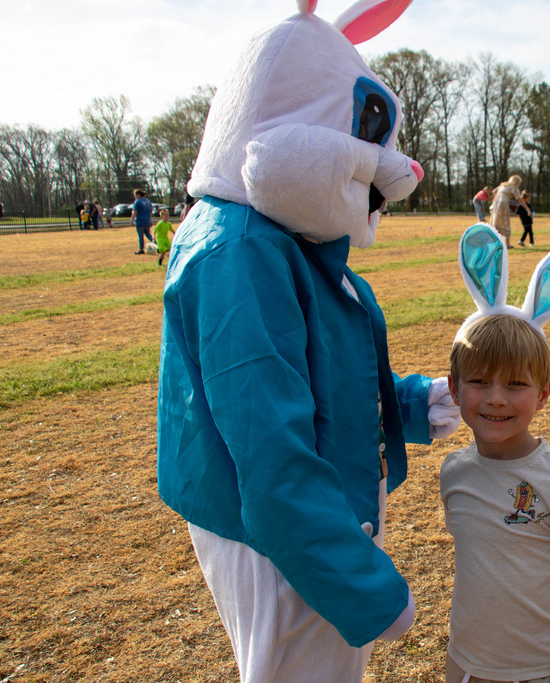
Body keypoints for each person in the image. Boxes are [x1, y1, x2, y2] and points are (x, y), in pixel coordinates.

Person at [157, 4, 462, 682]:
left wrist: (420, 403)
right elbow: (272, 457)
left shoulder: (283, 239)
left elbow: (328, 376)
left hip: (307, 518)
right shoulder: (239, 251)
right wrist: (362, 584)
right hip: (277, 538)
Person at [442, 312, 550, 683]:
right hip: (465, 665)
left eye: (516, 383)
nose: (496, 399)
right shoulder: (454, 473)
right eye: (480, 381)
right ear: (454, 388)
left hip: (543, 672)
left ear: (544, 393)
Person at [489, 175, 528, 247]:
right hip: (503, 204)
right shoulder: (513, 187)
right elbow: (519, 199)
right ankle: (507, 243)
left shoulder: (503, 185)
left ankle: (495, 241)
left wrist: (497, 196)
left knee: (496, 222)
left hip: (496, 203)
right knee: (505, 222)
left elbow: (493, 191)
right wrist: (527, 209)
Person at [131, 189, 154, 254]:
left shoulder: (137, 202)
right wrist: (150, 220)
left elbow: (135, 212)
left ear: (138, 194)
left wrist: (132, 220)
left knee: (140, 236)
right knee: (148, 235)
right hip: (147, 221)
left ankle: (141, 249)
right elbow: (150, 212)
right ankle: (156, 244)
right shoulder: (148, 201)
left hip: (140, 221)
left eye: (135, 195)